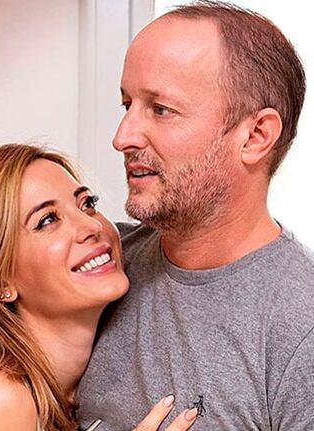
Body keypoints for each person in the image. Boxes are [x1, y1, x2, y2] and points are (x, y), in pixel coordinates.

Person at [77, 2, 314, 430]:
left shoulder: (301, 328)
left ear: (255, 136)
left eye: (160, 109)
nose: (122, 137)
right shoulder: (98, 264)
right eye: (127, 104)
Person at [0, 144, 198, 431]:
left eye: (87, 204)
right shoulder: (0, 399)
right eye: (47, 220)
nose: (92, 226)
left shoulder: (62, 385)